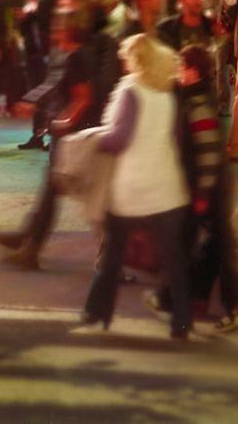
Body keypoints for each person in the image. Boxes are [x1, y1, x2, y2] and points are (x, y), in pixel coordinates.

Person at [82, 22, 197, 341]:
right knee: (174, 259)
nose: (123, 63)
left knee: (112, 254)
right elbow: (174, 137)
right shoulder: (166, 94)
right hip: (168, 188)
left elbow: (117, 139)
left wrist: (93, 139)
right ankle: (182, 322)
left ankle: (96, 312)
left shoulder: (130, 90)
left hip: (131, 188)